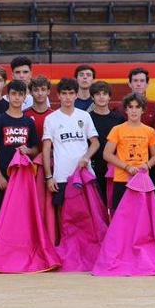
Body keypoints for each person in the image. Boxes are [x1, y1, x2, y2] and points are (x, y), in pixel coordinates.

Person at [42, 78, 100, 213]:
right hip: (62, 176)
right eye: (64, 93)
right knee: (62, 215)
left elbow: (95, 143)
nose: (67, 97)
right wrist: (49, 177)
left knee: (87, 214)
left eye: (71, 93)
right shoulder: (51, 119)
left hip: (84, 175)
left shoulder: (84, 116)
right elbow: (46, 149)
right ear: (58, 96)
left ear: (76, 95)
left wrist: (86, 157)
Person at [104, 93, 155, 211]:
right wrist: (126, 167)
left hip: (142, 179)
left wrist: (147, 164)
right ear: (126, 110)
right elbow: (107, 154)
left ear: (143, 110)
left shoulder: (149, 131)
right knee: (121, 217)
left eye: (137, 107)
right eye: (130, 107)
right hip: (122, 179)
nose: (134, 111)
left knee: (141, 216)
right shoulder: (117, 129)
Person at [0, 80, 41, 194]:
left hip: (23, 175)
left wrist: (29, 150)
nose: (17, 98)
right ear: (7, 96)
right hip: (4, 174)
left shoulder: (29, 122)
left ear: (25, 97)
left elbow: (36, 150)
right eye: (14, 94)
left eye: (20, 94)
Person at [87, 80, 124, 202]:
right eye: (98, 94)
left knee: (113, 202)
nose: (101, 97)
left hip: (114, 167)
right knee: (97, 203)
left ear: (109, 97)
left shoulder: (119, 118)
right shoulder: (87, 118)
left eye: (104, 94)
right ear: (92, 97)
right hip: (93, 166)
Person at [24, 75, 54, 141]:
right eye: (36, 90)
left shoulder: (55, 116)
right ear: (31, 92)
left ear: (48, 91)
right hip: (29, 151)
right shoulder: (24, 115)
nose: (40, 93)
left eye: (43, 89)